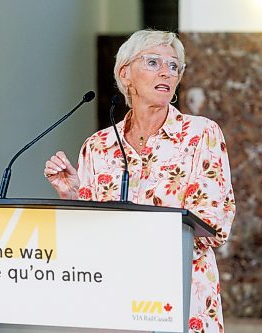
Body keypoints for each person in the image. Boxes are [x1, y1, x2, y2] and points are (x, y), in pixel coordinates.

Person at [44, 29, 235, 333]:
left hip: (183, 290)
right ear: (125, 73)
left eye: (174, 66)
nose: (166, 72)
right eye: (153, 62)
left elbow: (213, 223)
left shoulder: (202, 134)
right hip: (117, 291)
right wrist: (74, 195)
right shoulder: (99, 146)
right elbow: (89, 234)